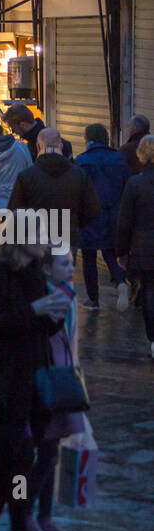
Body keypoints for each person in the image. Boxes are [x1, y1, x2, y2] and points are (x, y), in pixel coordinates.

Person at [0, 222, 69, 531]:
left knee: (10, 464)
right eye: (38, 235)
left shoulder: (33, 276)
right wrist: (35, 311)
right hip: (0, 385)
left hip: (30, 383)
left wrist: (55, 312)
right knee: (17, 462)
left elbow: (40, 328)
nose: (44, 241)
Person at [28, 245, 84, 531]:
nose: (71, 268)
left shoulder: (70, 297)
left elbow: (72, 342)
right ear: (47, 269)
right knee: (42, 453)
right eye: (64, 264)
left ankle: (44, 517)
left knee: (51, 454)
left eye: (72, 263)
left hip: (64, 378)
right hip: (44, 379)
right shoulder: (47, 298)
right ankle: (27, 515)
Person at [7, 127, 101, 262]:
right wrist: (75, 223)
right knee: (63, 277)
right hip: (67, 237)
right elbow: (93, 209)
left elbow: (15, 212)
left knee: (38, 278)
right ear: (61, 147)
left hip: (35, 239)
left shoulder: (26, 176)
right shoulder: (79, 174)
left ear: (38, 147)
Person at [74, 124, 131, 309]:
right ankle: (121, 283)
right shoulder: (119, 159)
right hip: (114, 214)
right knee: (110, 254)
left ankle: (93, 299)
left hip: (89, 216)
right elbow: (127, 186)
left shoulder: (82, 160)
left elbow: (78, 192)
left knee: (89, 258)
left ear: (88, 139)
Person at [116, 133, 154, 361]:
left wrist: (121, 252)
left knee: (149, 291)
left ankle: (153, 340)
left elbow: (124, 222)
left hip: (145, 248)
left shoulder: (136, 183)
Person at [5, 101, 72, 160]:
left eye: (13, 128)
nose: (13, 131)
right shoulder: (63, 143)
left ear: (23, 125)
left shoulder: (34, 148)